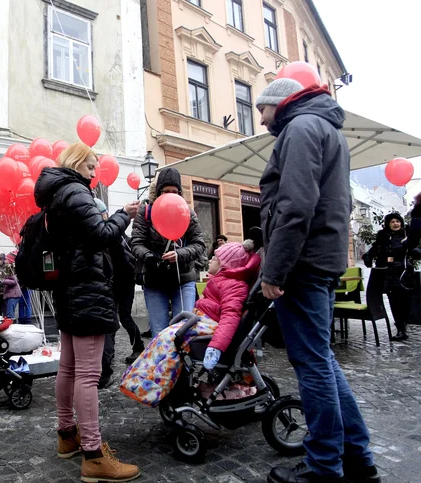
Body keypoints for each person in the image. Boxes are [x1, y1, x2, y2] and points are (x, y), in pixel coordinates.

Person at [256, 78, 379, 482]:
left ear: (281, 103)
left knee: (313, 366)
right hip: (320, 261)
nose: (260, 117)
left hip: (302, 266)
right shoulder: (326, 129)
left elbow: (294, 206)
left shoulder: (301, 128)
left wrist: (274, 270)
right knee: (323, 361)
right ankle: (356, 458)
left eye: (262, 108)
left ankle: (325, 466)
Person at [34, 142, 141, 482]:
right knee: (88, 375)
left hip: (69, 289)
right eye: (92, 166)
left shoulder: (56, 194)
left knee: (68, 367)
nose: (96, 172)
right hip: (87, 289)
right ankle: (94, 454)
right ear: (78, 163)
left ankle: (68, 435)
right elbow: (101, 236)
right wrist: (124, 214)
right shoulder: (76, 192)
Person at [120, 240, 259, 406]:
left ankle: (149, 388)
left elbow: (230, 319)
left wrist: (216, 347)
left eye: (215, 258)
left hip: (211, 326)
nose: (210, 260)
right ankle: (139, 382)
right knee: (163, 338)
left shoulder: (233, 285)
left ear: (225, 265)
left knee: (168, 342)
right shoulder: (225, 281)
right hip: (203, 320)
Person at [131, 167, 206, 336]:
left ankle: (183, 363)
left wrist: (179, 255)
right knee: (159, 332)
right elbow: (136, 243)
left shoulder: (187, 212)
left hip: (183, 278)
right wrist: (150, 256)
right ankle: (163, 362)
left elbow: (199, 244)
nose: (170, 195)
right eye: (166, 191)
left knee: (184, 329)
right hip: (154, 279)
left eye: (174, 191)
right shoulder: (146, 212)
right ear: (158, 192)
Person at [94, 198, 144, 389]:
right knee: (114, 319)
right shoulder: (110, 234)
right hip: (115, 283)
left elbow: (127, 261)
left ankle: (138, 346)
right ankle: (113, 355)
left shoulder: (116, 235)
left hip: (122, 283)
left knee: (122, 317)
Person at [362, 212, 413, 341]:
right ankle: (401, 329)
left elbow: (412, 249)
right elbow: (374, 249)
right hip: (388, 274)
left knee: (406, 302)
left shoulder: (406, 235)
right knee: (394, 301)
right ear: (388, 224)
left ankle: (404, 325)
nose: (396, 224)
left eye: (398, 221)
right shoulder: (382, 236)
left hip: (403, 273)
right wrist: (367, 257)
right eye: (392, 222)